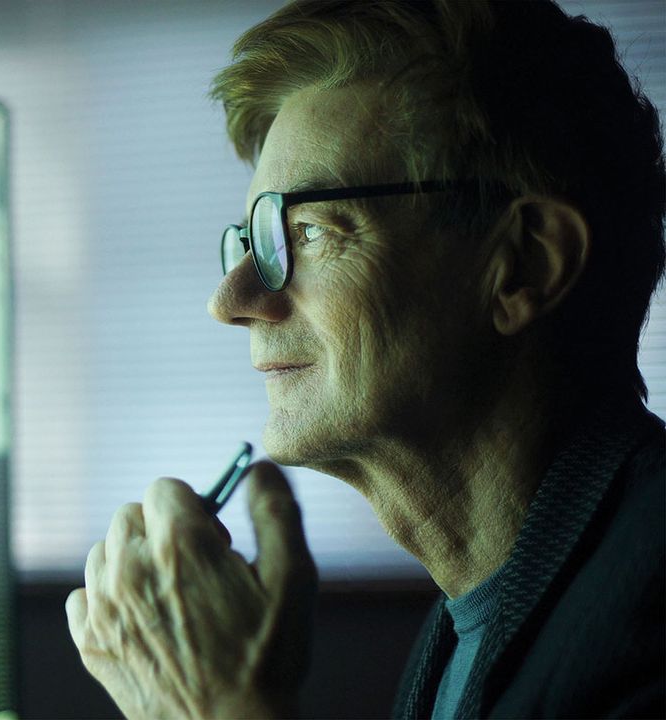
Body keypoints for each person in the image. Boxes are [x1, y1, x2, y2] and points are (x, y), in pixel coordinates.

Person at [65, 0, 666, 717]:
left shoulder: (652, 601)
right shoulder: (463, 620)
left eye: (308, 231)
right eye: (250, 242)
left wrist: (223, 707)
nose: (231, 299)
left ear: (523, 265)